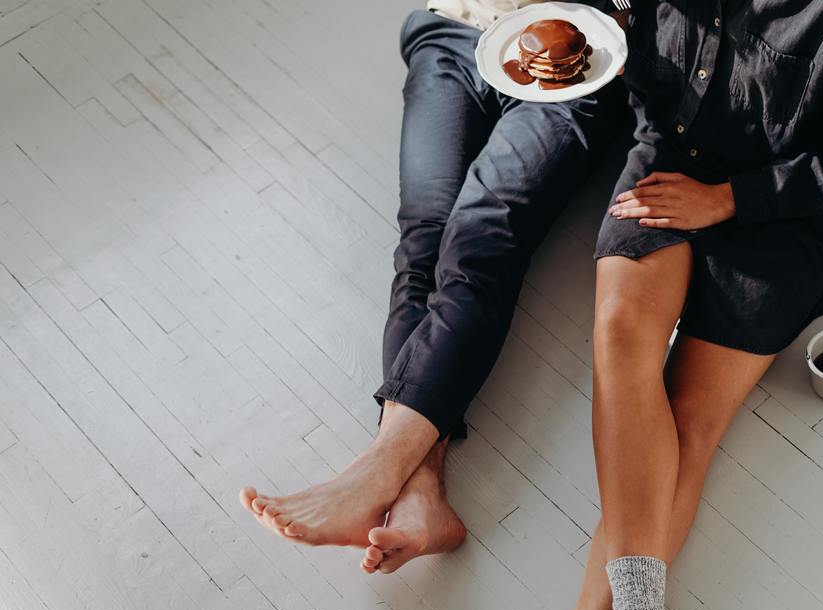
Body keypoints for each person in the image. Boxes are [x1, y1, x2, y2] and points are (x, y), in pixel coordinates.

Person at [518, 0, 823, 610]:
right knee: (619, 336)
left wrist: (729, 201)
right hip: (672, 158)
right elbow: (652, 69)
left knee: (689, 415)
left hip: (784, 212)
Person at [239, 1, 626, 574]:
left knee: (482, 232)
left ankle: (376, 473)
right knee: (424, 235)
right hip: (457, 29)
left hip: (586, 58)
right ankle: (419, 495)